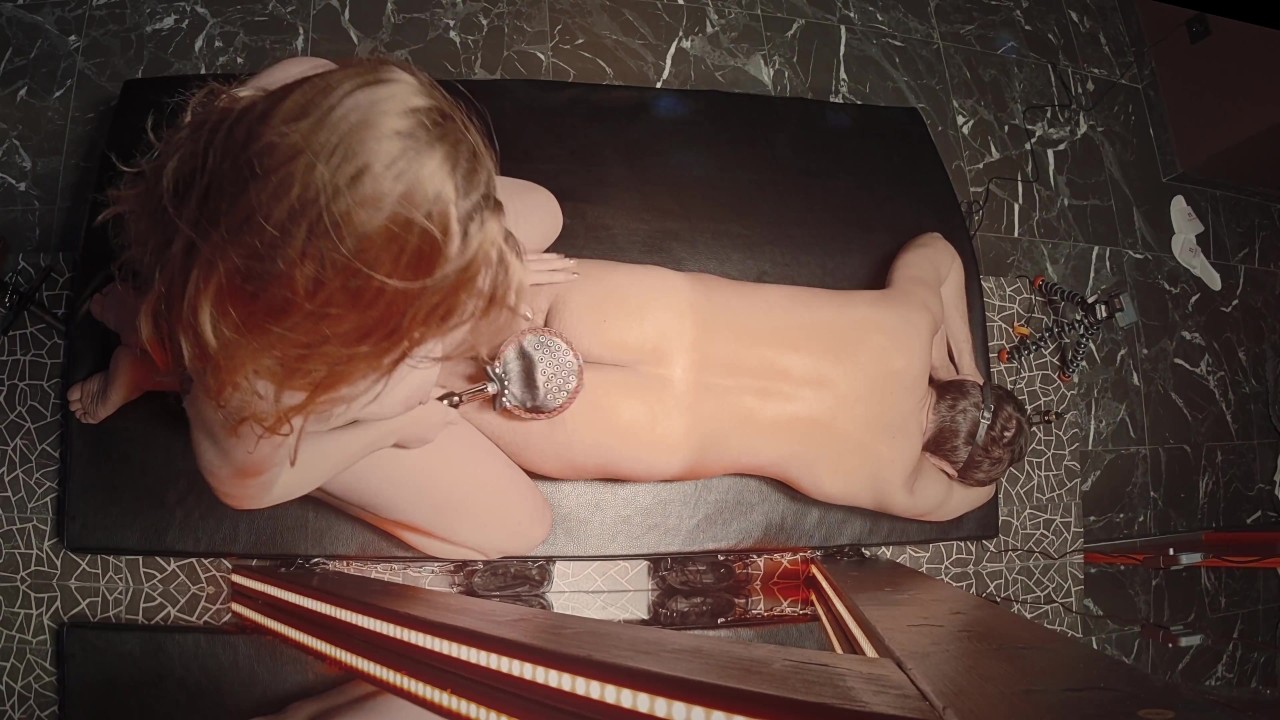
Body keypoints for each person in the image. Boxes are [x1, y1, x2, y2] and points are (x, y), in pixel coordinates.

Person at [70, 57, 1029, 560]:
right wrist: (401, 419)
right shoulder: (281, 403)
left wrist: (477, 252)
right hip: (311, 376)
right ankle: (157, 359)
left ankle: (166, 320)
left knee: (543, 216)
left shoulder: (293, 104)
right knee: (517, 530)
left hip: (273, 271)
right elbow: (251, 481)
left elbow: (933, 261)